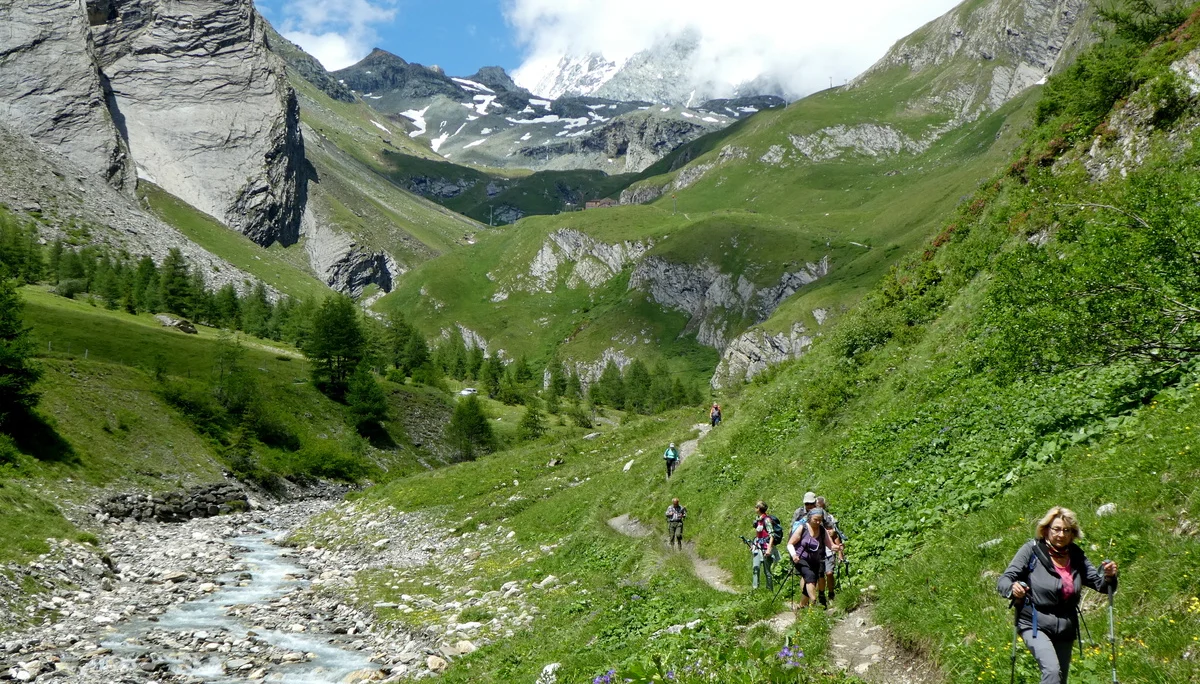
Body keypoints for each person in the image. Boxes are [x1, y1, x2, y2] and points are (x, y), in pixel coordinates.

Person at [997, 507, 1118, 684]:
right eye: (1056, 529)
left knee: (1060, 679)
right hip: (1034, 623)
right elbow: (1004, 580)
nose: (1061, 534)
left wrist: (1109, 576)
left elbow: (1100, 585)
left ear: (1072, 534)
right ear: (1046, 530)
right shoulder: (1031, 551)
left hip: (1065, 627)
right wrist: (1013, 588)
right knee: (1052, 673)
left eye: (1066, 530)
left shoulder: (1076, 556)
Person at [787, 507, 841, 609]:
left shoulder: (822, 530)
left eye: (820, 520)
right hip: (800, 558)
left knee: (811, 582)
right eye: (815, 519)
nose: (817, 522)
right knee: (810, 577)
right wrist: (794, 555)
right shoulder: (803, 528)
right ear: (809, 518)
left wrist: (838, 548)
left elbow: (831, 545)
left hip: (815, 560)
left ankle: (801, 607)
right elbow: (790, 544)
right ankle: (815, 603)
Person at [815, 495, 846, 602]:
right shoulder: (812, 520)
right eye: (818, 507)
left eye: (821, 507)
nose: (820, 510)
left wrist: (840, 553)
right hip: (817, 551)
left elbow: (835, 535)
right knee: (820, 575)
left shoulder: (830, 518)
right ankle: (821, 594)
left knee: (829, 573)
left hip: (829, 550)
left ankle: (831, 593)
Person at [750, 501, 779, 591]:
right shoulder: (758, 520)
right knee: (756, 568)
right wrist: (753, 544)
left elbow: (772, 535)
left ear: (758, 508)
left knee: (767, 571)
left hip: (766, 548)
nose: (755, 508)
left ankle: (769, 590)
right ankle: (755, 590)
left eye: (756, 507)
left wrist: (769, 549)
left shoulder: (767, 520)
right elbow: (759, 534)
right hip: (757, 546)